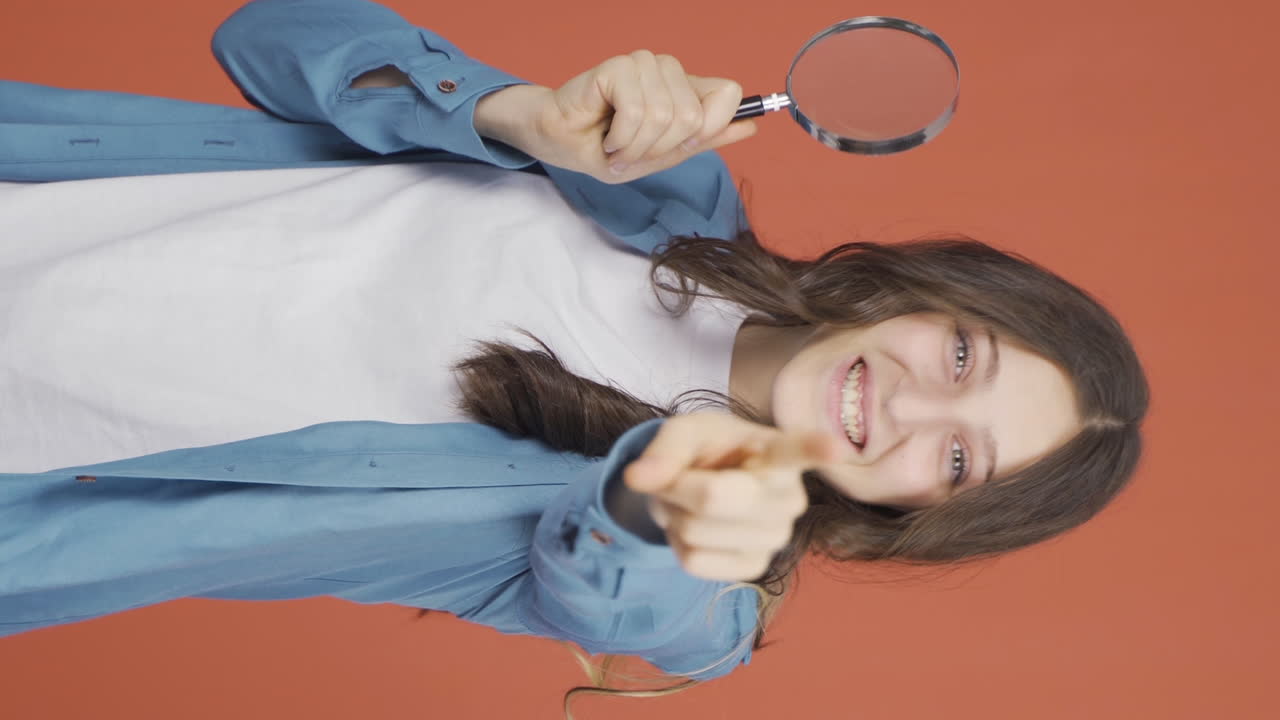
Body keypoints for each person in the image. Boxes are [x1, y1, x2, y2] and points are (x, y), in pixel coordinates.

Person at [0, 0, 1149, 715]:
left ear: (919, 514)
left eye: (957, 461)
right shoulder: (659, 189)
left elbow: (648, 616)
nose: (910, 412)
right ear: (923, 290)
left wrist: (672, 517)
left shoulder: (708, 592)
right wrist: (510, 112)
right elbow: (267, 36)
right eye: (958, 354)